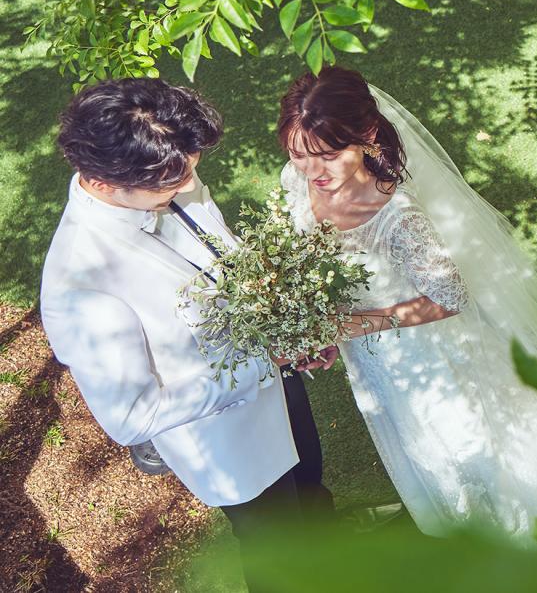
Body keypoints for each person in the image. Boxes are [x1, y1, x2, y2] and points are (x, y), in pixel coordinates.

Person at [276, 66, 537, 536]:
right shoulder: (299, 181)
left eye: (329, 155)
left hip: (425, 354)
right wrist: (322, 325)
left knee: (459, 445)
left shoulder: (395, 215)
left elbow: (450, 298)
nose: (313, 171)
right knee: (414, 438)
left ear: (368, 135)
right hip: (371, 351)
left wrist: (352, 324)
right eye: (298, 154)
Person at [39, 78, 333, 590]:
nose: (187, 185)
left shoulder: (168, 169)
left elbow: (219, 249)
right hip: (232, 441)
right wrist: (265, 363)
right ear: (105, 182)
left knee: (312, 490)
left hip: (280, 384)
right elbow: (132, 418)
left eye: (190, 171)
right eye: (172, 183)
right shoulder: (81, 287)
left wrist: (290, 322)